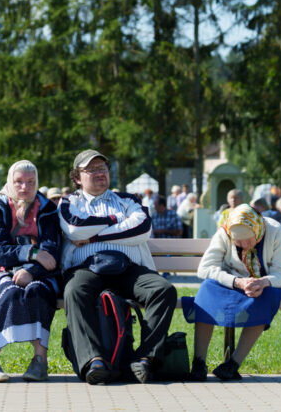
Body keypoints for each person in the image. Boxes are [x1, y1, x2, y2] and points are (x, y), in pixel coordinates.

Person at [59, 149, 177, 385]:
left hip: (128, 268)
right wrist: (115, 221)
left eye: (102, 168)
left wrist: (94, 238)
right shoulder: (69, 202)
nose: (99, 173)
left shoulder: (128, 200)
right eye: (92, 169)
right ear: (77, 177)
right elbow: (74, 229)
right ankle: (94, 361)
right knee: (74, 291)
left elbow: (141, 229)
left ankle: (143, 359)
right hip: (87, 267)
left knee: (163, 289)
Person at [0, 160, 61, 383]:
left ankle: (40, 362)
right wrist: (32, 252)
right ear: (10, 182)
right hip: (0, 270)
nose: (24, 187)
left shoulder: (47, 209)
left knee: (38, 291)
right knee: (8, 291)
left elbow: (51, 252)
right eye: (18, 182)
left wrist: (31, 270)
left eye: (30, 182)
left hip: (37, 274)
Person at [181, 204, 281, 381]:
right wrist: (236, 282)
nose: (244, 246)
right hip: (231, 282)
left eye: (249, 240)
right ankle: (199, 363)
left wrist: (263, 282)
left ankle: (233, 364)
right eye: (239, 242)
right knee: (207, 289)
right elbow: (205, 268)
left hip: (263, 284)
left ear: (258, 228)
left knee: (269, 295)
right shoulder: (225, 230)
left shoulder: (275, 230)